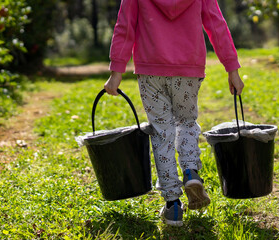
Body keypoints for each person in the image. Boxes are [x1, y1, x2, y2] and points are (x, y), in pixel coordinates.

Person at [104, 0, 244, 227]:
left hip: (151, 70)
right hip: (188, 68)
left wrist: (116, 71)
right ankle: (190, 171)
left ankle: (173, 205)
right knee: (187, 122)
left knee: (162, 133)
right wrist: (232, 69)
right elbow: (216, 25)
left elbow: (125, 26)